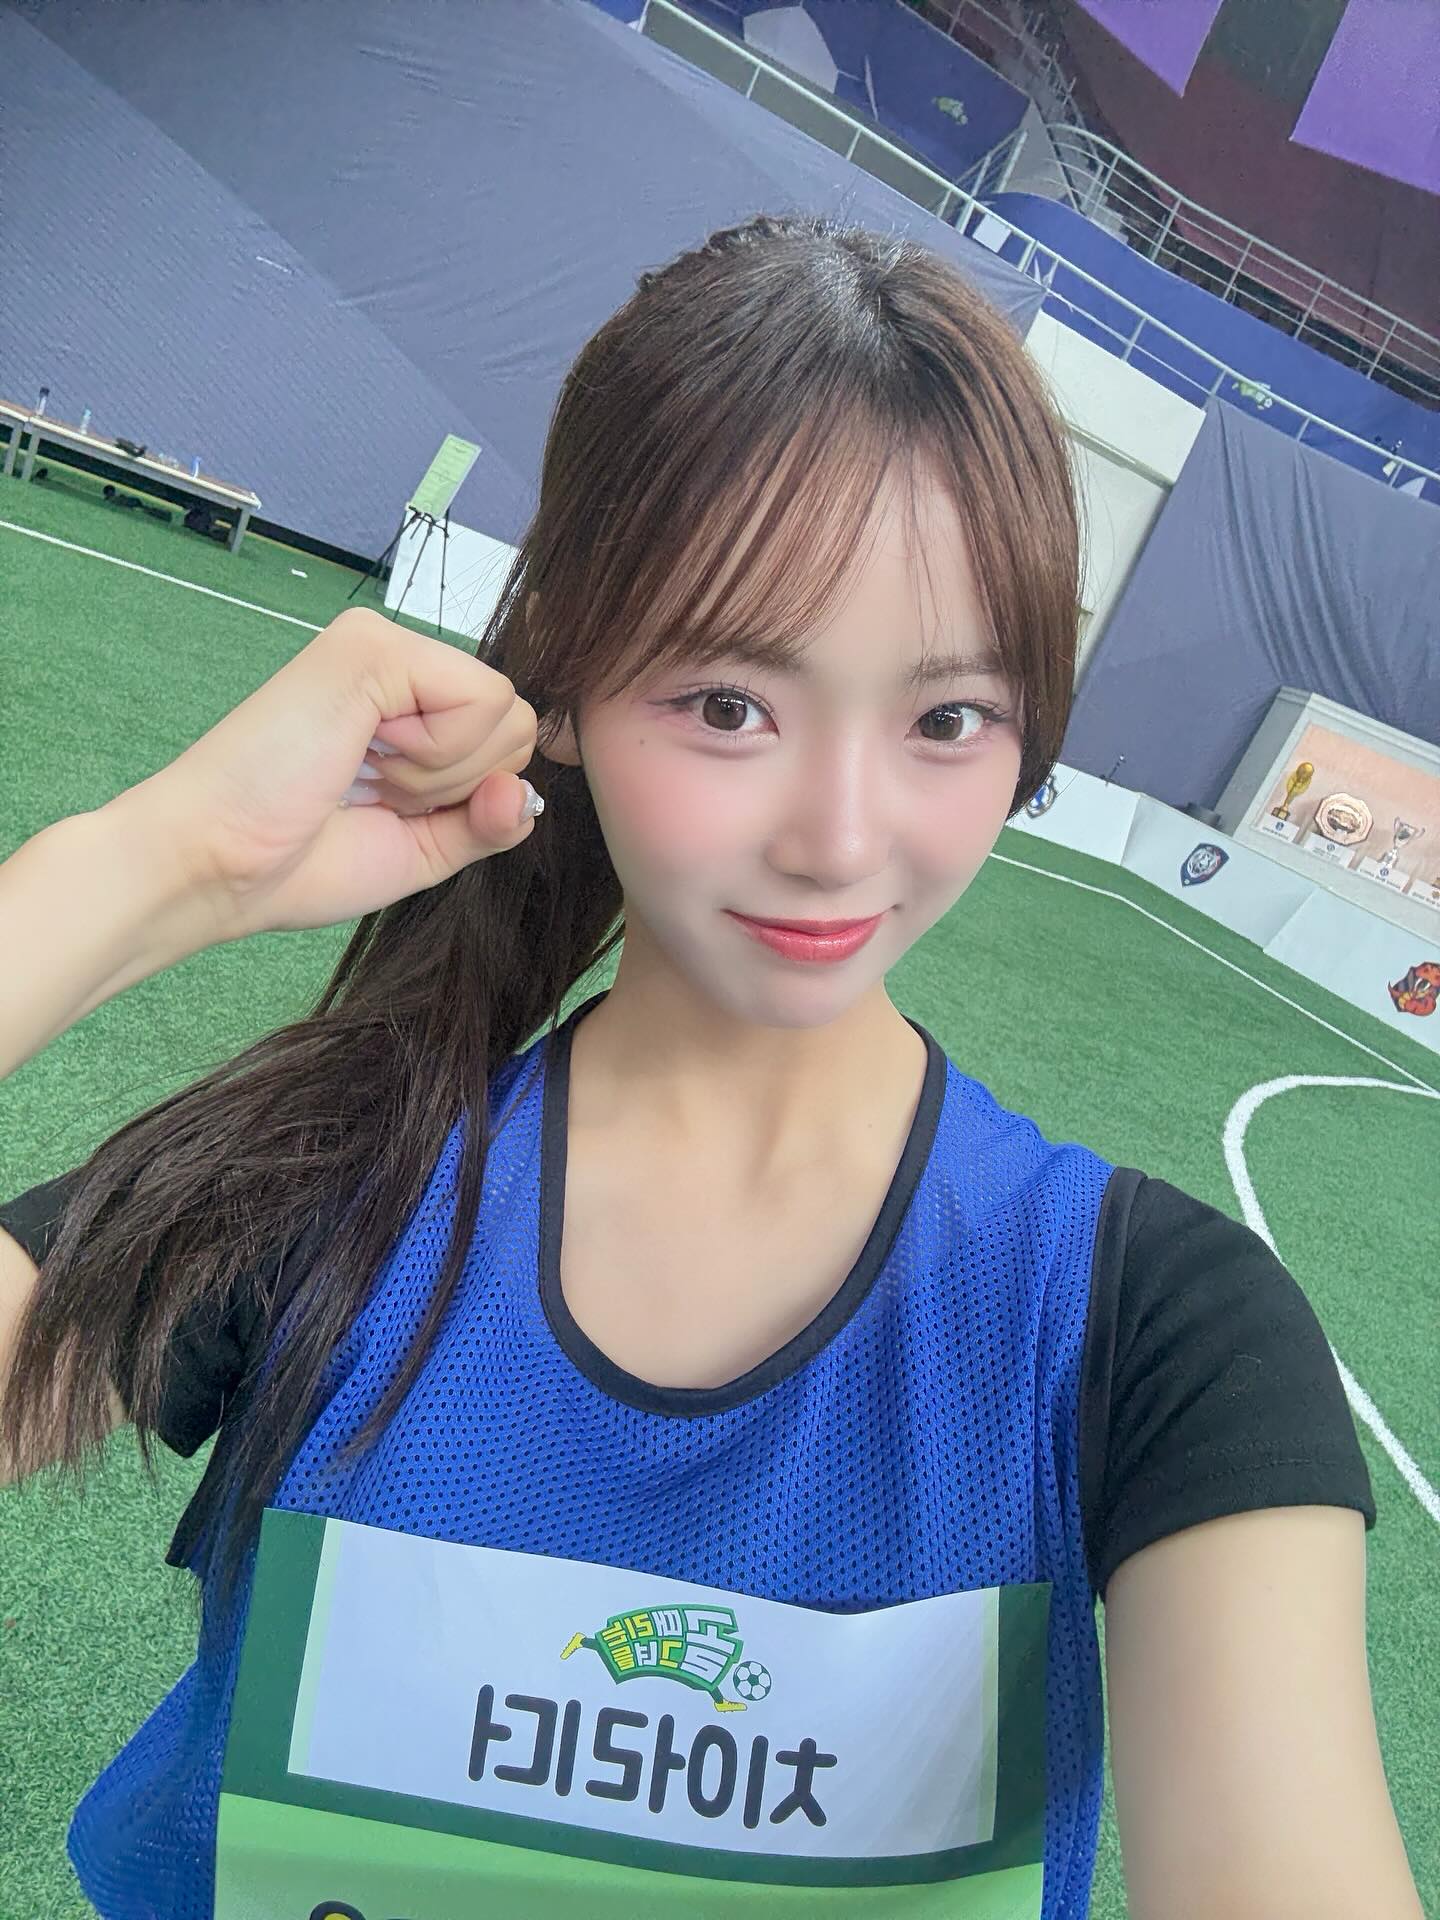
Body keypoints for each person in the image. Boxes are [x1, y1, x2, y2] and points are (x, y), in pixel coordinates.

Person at [0, 213, 1423, 1920]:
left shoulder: (1155, 1334)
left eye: (946, 719)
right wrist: (151, 868)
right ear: (567, 684)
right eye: (733, 703)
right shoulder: (328, 1195)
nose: (840, 838)